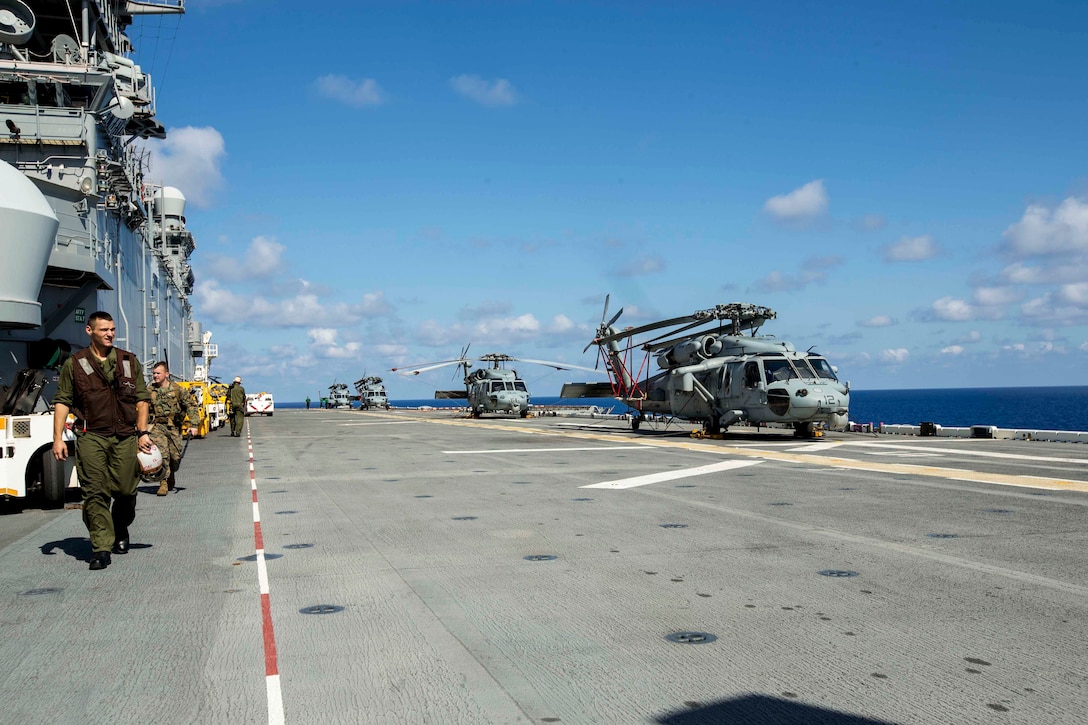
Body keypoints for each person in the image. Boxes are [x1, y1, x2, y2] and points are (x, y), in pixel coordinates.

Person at [52, 311, 151, 571]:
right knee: (95, 492)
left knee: (127, 492)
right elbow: (62, 401)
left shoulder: (129, 362)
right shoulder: (74, 364)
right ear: (89, 331)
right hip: (90, 435)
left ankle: (120, 528)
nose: (109, 334)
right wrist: (57, 438)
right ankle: (101, 547)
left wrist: (143, 433)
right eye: (103, 330)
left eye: (112, 329)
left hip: (125, 437)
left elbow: (142, 400)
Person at [148, 361, 197, 496]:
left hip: (173, 427)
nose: (155, 376)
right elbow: (142, 408)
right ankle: (163, 483)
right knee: (162, 454)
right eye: (154, 373)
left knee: (175, 457)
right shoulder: (150, 390)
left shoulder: (177, 390)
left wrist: (193, 425)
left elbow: (191, 406)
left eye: (158, 373)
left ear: (167, 374)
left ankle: (171, 474)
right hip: (156, 426)